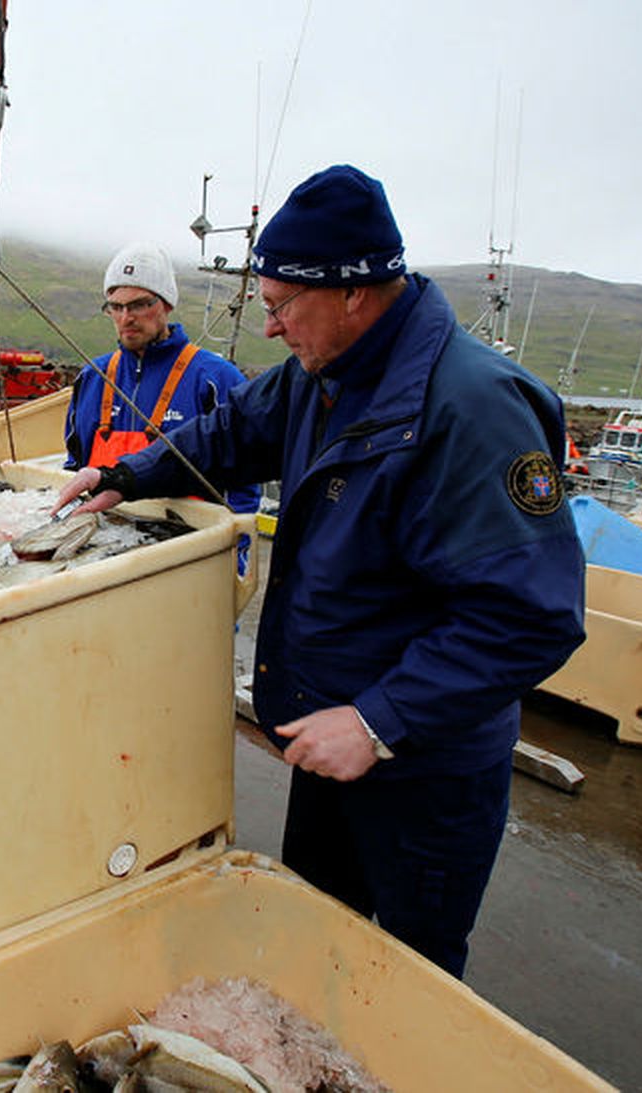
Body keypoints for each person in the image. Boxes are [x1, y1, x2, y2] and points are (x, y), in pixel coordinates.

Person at [55, 165, 586, 978]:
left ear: (354, 293)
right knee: (310, 942)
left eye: (278, 307)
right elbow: (230, 432)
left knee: (408, 976)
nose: (269, 329)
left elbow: (531, 613)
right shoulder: (320, 375)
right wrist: (124, 475)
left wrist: (379, 722)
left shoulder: (473, 409)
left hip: (421, 768)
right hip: (329, 740)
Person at [64, 241, 260, 534]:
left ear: (166, 303)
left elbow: (243, 486)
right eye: (116, 307)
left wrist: (236, 554)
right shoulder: (93, 377)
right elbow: (74, 467)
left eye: (139, 304)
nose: (126, 318)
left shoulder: (216, 379)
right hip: (101, 543)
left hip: (190, 549)